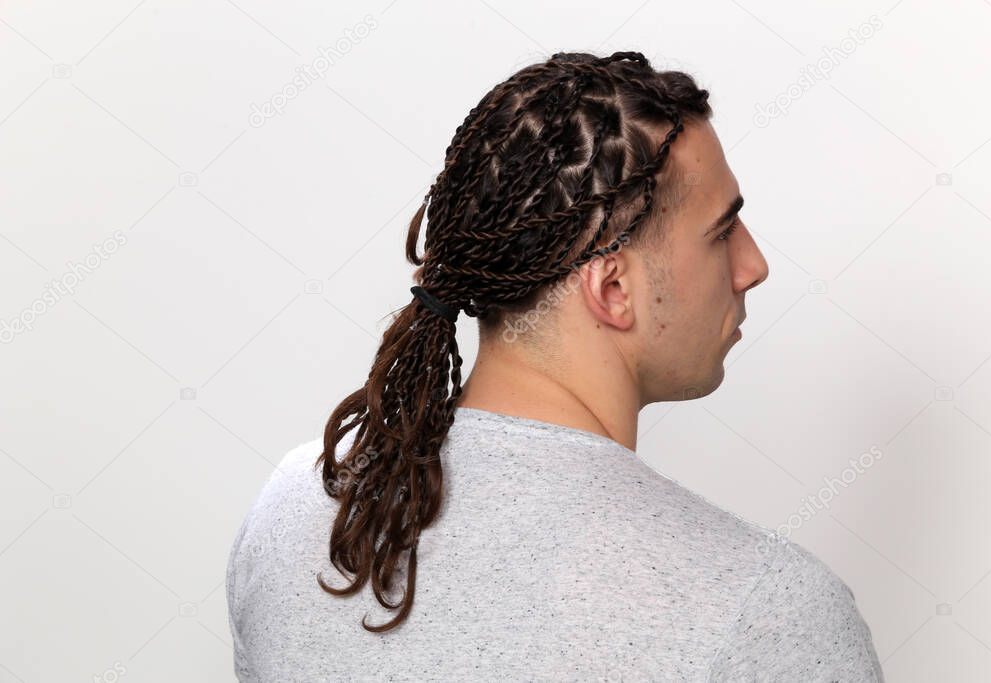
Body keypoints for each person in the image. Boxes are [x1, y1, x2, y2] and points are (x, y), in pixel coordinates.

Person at [226, 51, 885, 681]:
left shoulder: (296, 508)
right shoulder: (769, 611)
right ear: (613, 289)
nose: (753, 266)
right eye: (722, 231)